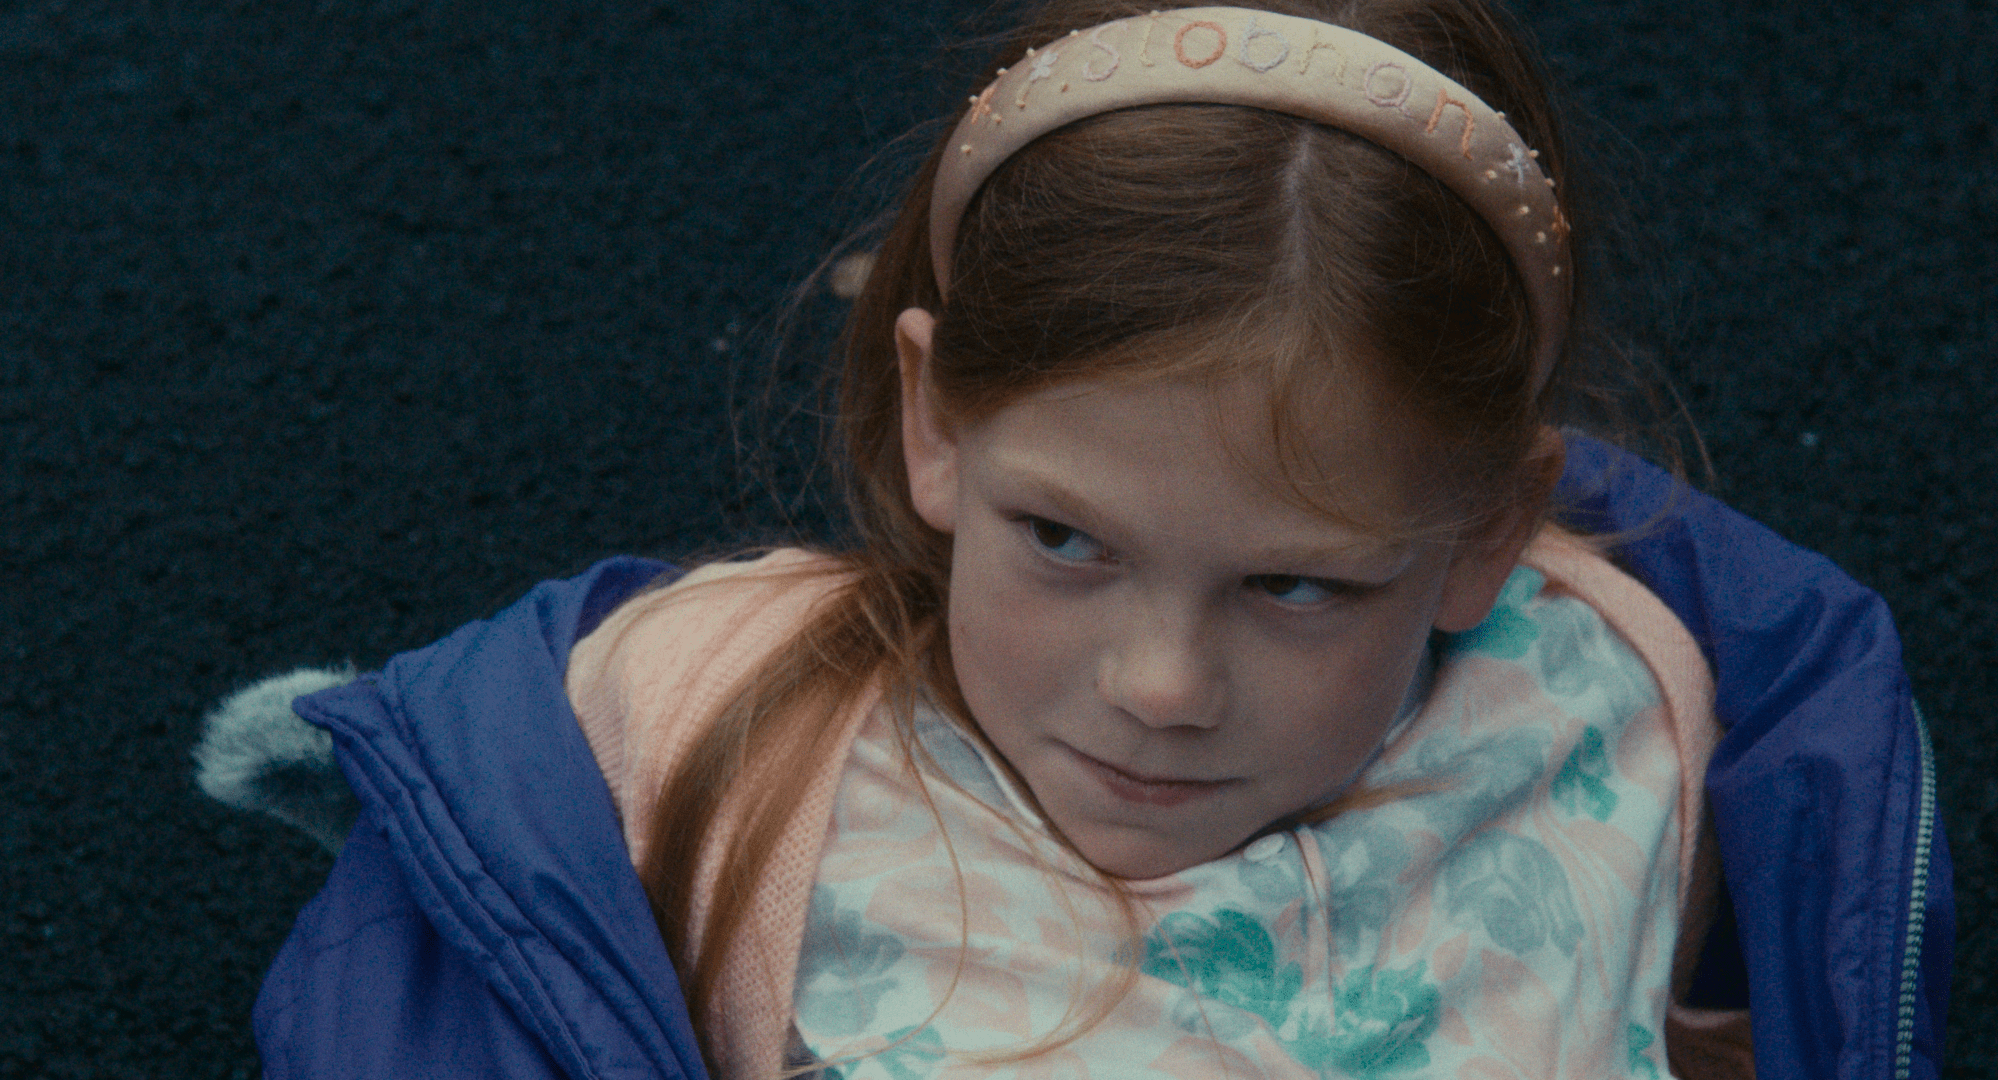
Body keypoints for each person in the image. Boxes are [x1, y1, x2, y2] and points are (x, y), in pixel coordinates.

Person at [196, 1, 1952, 1077]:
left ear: (1487, 528)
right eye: (1063, 540)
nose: (1161, 687)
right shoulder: (693, 742)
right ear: (935, 422)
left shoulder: (1633, 728)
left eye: (1293, 583)